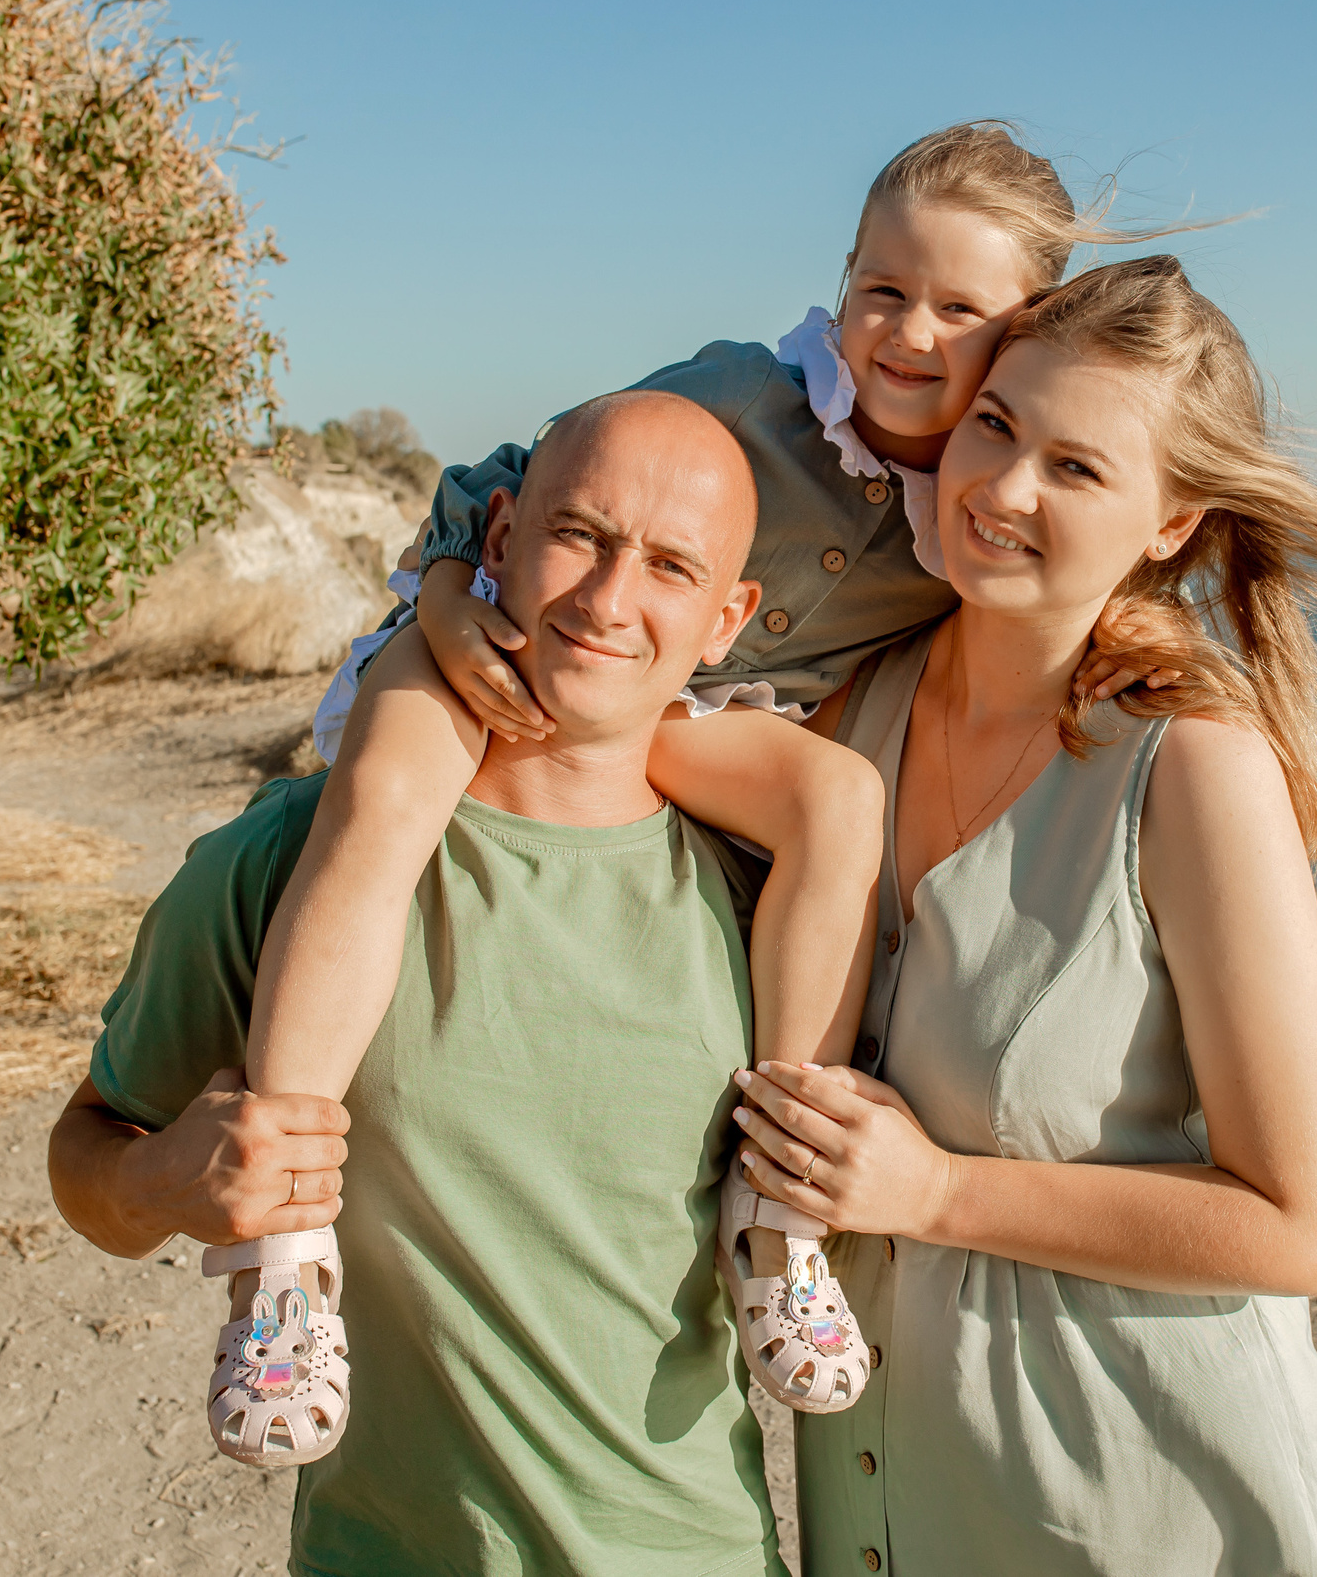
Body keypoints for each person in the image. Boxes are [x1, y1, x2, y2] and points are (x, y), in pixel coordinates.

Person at [233, 123, 1203, 1429]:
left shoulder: (969, 510)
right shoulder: (749, 395)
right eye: (882, 289)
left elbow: (1092, 561)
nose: (908, 333)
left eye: (960, 309)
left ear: (1021, 326)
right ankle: (282, 1244)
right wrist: (454, 599)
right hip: (522, 637)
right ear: (843, 277)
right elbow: (529, 474)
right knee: (387, 796)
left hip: (678, 713)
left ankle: (777, 1212)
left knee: (835, 801)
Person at [728, 256, 1317, 1574]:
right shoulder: (848, 708)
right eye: (997, 424)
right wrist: (460, 603)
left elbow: (1304, 1227)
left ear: (1171, 518)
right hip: (887, 1502)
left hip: (1151, 1506)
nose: (1006, 487)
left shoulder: (1193, 767)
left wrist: (936, 1190)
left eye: (1079, 468)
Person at [46, 391, 788, 1575]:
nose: (605, 599)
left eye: (668, 565)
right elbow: (89, 1153)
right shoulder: (290, 858)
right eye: (579, 536)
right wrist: (154, 1183)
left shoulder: (763, 904)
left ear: (726, 619)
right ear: (497, 539)